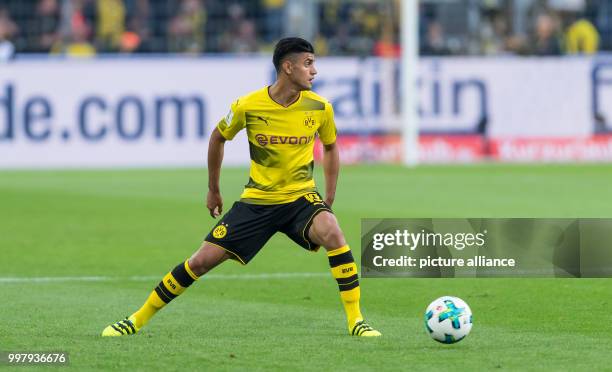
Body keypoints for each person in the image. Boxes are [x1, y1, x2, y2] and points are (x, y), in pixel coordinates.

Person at [102, 37, 381, 338]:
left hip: (300, 198)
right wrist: (213, 189)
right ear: (288, 67)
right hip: (257, 202)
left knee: (333, 232)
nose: (314, 71)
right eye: (308, 63)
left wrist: (328, 195)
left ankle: (356, 320)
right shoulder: (248, 105)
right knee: (201, 261)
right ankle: (136, 319)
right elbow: (217, 138)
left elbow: (330, 147)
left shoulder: (320, 107)